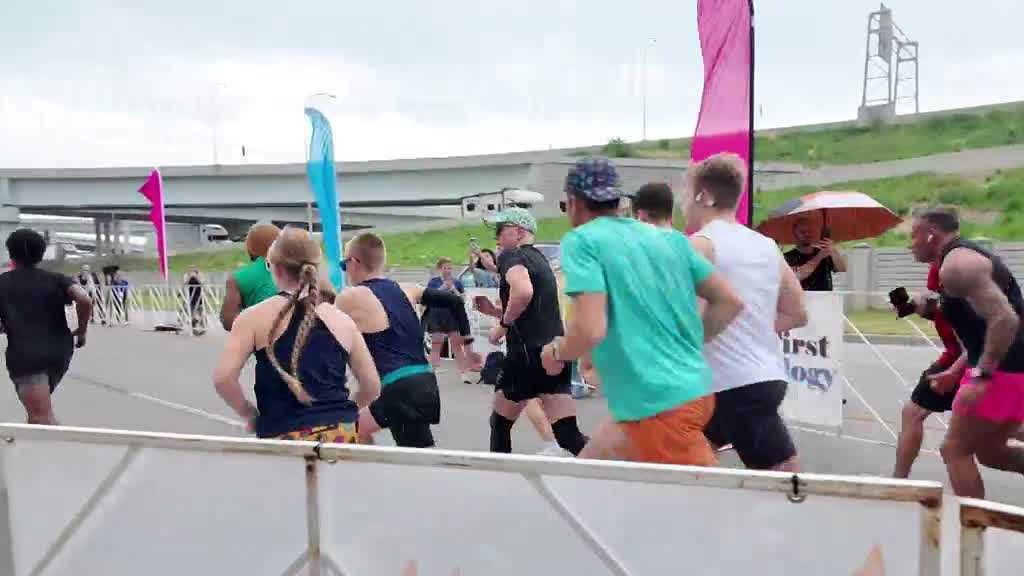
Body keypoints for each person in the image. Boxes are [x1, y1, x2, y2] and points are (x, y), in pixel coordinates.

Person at [540, 157, 744, 465]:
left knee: (707, 493)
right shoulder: (670, 239)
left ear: (573, 202)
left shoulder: (582, 241)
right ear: (618, 200)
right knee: (586, 477)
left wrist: (557, 352)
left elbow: (590, 329)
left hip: (658, 404)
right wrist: (687, 347)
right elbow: (729, 301)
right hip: (686, 390)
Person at [685, 153, 807, 471]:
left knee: (784, 480)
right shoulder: (766, 245)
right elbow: (798, 313)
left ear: (703, 196)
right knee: (685, 461)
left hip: (731, 384)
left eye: (687, 195)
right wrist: (752, 329)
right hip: (761, 375)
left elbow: (683, 318)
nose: (684, 205)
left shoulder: (700, 245)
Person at [212, 227, 380, 442]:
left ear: (274, 269)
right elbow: (372, 385)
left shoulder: (253, 318)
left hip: (283, 435)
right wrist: (342, 414)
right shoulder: (342, 320)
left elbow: (223, 379)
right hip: (341, 435)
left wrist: (250, 414)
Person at [909, 207, 1024, 498]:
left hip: (1004, 371)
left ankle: (972, 523)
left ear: (931, 234)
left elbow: (1005, 318)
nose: (910, 244)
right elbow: (978, 325)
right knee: (990, 452)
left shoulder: (957, 265)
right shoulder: (958, 261)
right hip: (1009, 368)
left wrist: (982, 376)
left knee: (955, 449)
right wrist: (927, 307)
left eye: (913, 235)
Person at [337, 232, 481, 448]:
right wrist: (468, 345)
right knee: (418, 455)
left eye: (343, 265)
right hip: (423, 382)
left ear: (354, 262)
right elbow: (455, 301)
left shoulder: (350, 296)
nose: (345, 271)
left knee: (345, 429)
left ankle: (369, 467)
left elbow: (326, 336)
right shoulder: (408, 289)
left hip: (397, 388)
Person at [482, 206, 589, 456]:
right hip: (553, 352)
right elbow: (533, 310)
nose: (496, 237)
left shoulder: (511, 256)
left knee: (500, 425)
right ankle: (615, 467)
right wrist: (496, 312)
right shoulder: (540, 260)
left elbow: (523, 292)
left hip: (525, 356)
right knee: (568, 435)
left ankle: (499, 475)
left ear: (519, 232)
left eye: (500, 230)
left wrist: (501, 326)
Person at [0, 229, 92, 424]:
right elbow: (84, 299)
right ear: (41, 254)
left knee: (41, 416)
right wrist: (81, 330)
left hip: (27, 355)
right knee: (37, 412)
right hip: (60, 352)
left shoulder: (3, 283)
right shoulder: (58, 279)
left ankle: (62, 444)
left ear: (11, 254)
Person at [892, 261, 965, 478]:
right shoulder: (948, 288)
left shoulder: (956, 293)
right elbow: (937, 309)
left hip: (962, 362)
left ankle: (898, 481)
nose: (911, 246)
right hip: (962, 361)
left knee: (962, 441)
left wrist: (952, 373)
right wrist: (916, 306)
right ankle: (899, 480)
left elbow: (971, 343)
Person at [220, 222, 281, 331]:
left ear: (250, 247)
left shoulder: (238, 277)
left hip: (261, 336)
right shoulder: (297, 267)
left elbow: (228, 322)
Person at [424, 257, 472, 382]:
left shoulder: (457, 282)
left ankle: (464, 374)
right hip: (436, 316)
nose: (447, 270)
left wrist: (453, 289)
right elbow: (428, 297)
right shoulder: (433, 282)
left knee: (457, 345)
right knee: (436, 344)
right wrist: (442, 287)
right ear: (440, 269)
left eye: (450, 268)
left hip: (452, 316)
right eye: (445, 268)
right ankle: (431, 373)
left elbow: (462, 299)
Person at [784, 216, 847, 291]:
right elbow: (797, 276)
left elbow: (842, 269)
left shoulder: (823, 252)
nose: (807, 234)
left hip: (826, 296)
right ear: (795, 233)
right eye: (802, 232)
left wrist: (834, 251)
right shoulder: (787, 257)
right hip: (802, 297)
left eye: (810, 231)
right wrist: (819, 257)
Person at [184, 264, 206, 335]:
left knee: (200, 311)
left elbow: (202, 283)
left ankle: (203, 327)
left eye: (193, 268)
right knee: (191, 312)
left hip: (199, 295)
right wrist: (190, 277)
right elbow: (185, 284)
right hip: (190, 296)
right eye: (190, 268)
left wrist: (196, 277)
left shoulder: (200, 274)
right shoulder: (186, 275)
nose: (192, 270)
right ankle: (194, 329)